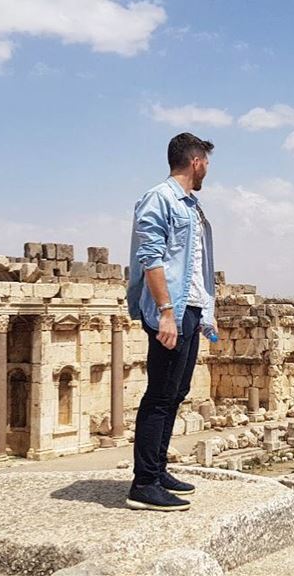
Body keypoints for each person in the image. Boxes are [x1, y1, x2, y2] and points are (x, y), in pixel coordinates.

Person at [125, 132, 216, 511]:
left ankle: (158, 470)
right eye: (207, 163)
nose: (208, 170)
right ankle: (143, 483)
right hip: (171, 311)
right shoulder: (159, 198)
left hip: (190, 309)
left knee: (176, 393)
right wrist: (165, 312)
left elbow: (194, 265)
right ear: (195, 161)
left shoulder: (191, 205)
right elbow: (151, 257)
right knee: (160, 395)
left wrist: (205, 313)